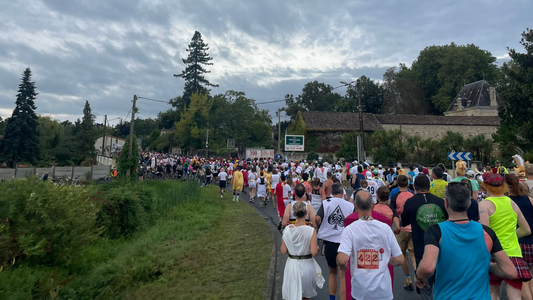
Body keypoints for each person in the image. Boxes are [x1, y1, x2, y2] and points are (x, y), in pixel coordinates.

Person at [415, 182, 518, 300]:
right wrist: (487, 265)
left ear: (446, 203)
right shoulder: (486, 232)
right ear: (469, 203)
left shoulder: (436, 231)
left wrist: (418, 275)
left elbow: (428, 267)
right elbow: (510, 271)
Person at [337, 190, 404, 300]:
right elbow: (400, 259)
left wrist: (343, 266)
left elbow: (341, 260)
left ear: (355, 206)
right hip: (383, 292)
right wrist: (387, 260)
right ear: (373, 205)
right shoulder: (386, 228)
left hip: (360, 291)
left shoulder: (349, 230)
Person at [479, 172, 532, 300]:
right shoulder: (512, 203)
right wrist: (511, 235)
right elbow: (526, 230)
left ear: (485, 186)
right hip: (514, 254)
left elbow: (484, 233)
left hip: (494, 255)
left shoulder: (484, 205)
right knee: (515, 297)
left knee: (494, 294)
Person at [401, 175, 448, 297]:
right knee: (441, 276)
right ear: (429, 186)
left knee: (424, 277)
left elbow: (404, 222)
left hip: (420, 244)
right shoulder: (440, 202)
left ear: (415, 187)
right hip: (441, 243)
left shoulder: (410, 202)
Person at [315, 183, 354, 300]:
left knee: (332, 272)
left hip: (330, 242)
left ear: (331, 192)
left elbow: (317, 218)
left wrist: (320, 227)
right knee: (343, 274)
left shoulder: (326, 203)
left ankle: (332, 298)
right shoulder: (349, 205)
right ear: (342, 192)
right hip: (344, 242)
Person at [281, 201, 325, 300]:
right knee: (306, 296)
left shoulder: (287, 230)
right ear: (306, 213)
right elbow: (314, 252)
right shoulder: (310, 230)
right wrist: (317, 248)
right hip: (307, 266)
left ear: (294, 214)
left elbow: (283, 250)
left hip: (292, 265)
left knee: (293, 294)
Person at [507, 173, 533, 300]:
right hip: (532, 242)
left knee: (522, 282)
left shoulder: (508, 203)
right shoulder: (529, 200)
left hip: (520, 243)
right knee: (530, 278)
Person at [390, 174, 416, 291]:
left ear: (397, 183)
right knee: (413, 254)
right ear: (407, 183)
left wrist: (397, 226)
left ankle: (408, 279)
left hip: (401, 228)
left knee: (403, 255)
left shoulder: (395, 196)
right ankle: (418, 276)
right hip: (413, 228)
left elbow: (393, 213)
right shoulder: (412, 195)